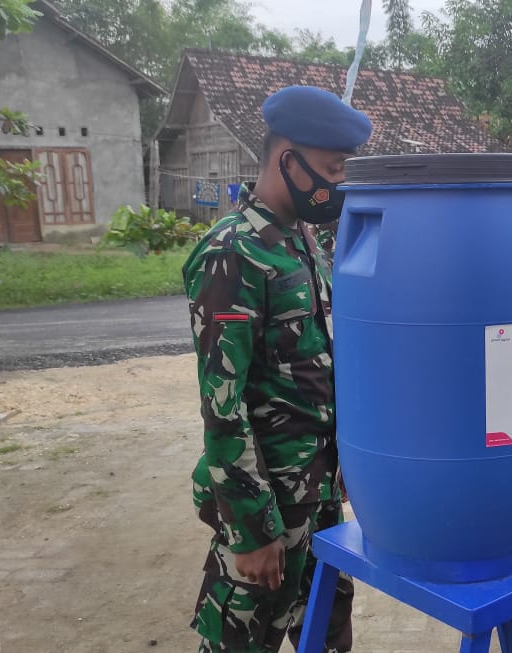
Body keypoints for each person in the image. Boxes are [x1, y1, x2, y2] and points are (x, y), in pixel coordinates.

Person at [183, 85, 372, 653]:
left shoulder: (304, 244)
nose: (337, 184)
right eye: (331, 169)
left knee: (329, 637)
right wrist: (250, 532)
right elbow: (223, 406)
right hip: (266, 506)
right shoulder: (232, 252)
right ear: (287, 160)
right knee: (241, 643)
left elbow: (322, 367)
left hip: (317, 500)